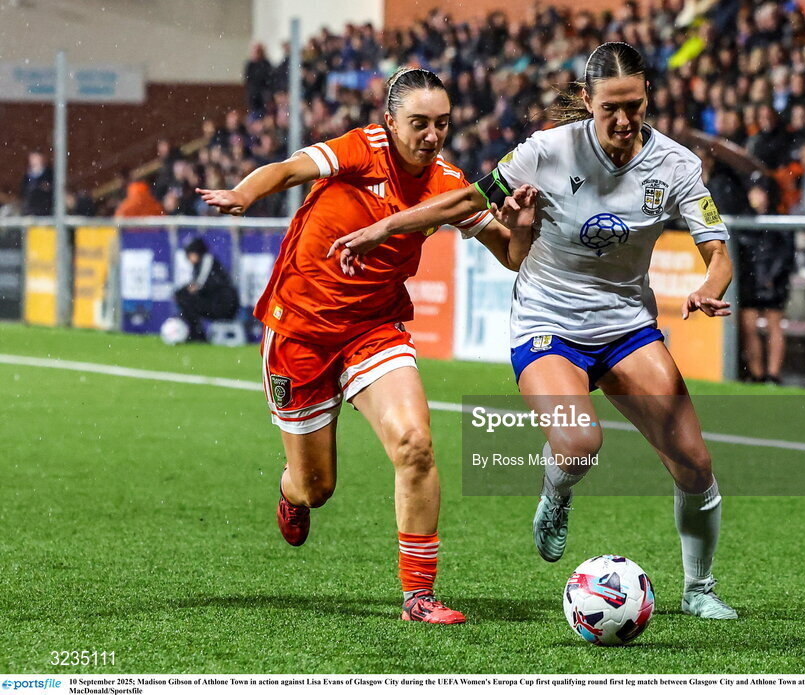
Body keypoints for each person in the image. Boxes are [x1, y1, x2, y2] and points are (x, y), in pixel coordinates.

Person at [331, 43, 738, 620]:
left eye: (635, 106)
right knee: (579, 445)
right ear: (588, 102)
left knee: (694, 463)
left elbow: (717, 252)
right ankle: (557, 491)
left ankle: (699, 588)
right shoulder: (546, 152)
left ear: (648, 98)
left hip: (626, 325)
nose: (623, 121)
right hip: (548, 321)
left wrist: (708, 287)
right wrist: (386, 226)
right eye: (610, 108)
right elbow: (470, 200)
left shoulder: (675, 165)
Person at [196, 67, 532, 624]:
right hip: (300, 330)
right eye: (418, 123)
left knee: (415, 444)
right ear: (390, 122)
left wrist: (520, 225)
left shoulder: (449, 183)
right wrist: (244, 192)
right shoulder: (361, 148)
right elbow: (287, 169)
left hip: (374, 327)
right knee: (316, 487)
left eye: (442, 124)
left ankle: (418, 597)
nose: (431, 135)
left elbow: (512, 254)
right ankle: (291, 493)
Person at [736, 173, 794, 384]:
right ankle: (757, 373)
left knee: (774, 325)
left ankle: (773, 374)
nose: (756, 196)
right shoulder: (742, 219)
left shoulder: (779, 219)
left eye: (760, 191)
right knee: (748, 327)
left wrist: (772, 277)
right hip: (750, 280)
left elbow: (787, 253)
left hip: (772, 280)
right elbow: (740, 253)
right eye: (753, 191)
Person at [173, 237, 240, 343]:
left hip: (224, 306)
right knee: (182, 295)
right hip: (216, 302)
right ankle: (195, 332)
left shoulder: (208, 260)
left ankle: (197, 334)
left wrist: (186, 290)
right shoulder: (199, 264)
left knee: (184, 297)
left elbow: (199, 285)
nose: (188, 257)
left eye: (190, 253)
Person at [21, 151, 53, 216]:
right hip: (30, 209)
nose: (34, 161)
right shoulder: (27, 175)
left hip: (46, 208)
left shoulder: (49, 173)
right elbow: (23, 191)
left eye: (36, 158)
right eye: (32, 158)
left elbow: (50, 188)